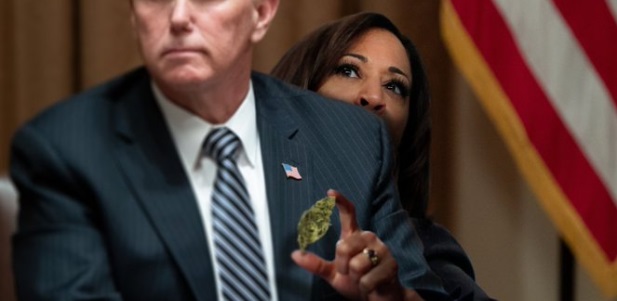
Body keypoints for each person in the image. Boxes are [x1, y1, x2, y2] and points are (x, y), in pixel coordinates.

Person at [10, 1, 450, 300]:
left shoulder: (353, 140)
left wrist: (387, 296)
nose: (179, 16)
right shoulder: (66, 149)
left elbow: (419, 291)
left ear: (261, 12)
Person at [271, 12, 493, 300]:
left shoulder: (425, 250)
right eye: (349, 70)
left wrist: (399, 295)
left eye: (394, 86)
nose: (375, 97)